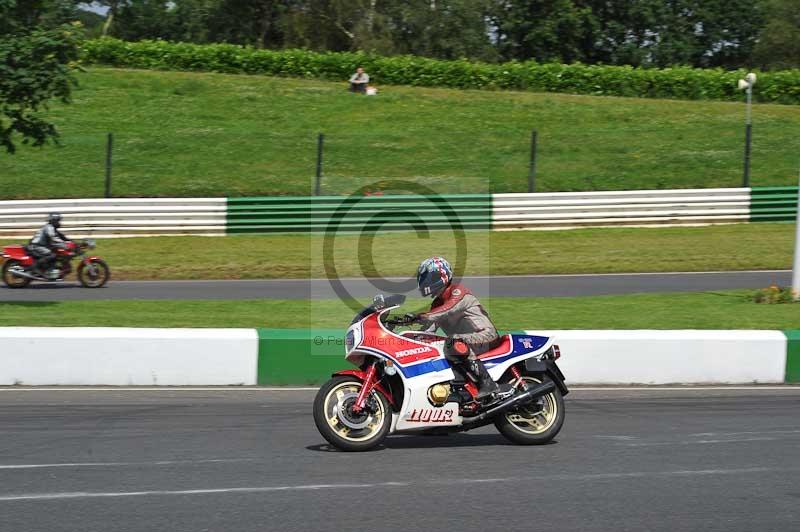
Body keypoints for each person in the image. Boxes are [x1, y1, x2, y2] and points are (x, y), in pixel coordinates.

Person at [412, 256, 506, 400]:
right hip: (467, 343)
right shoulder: (437, 305)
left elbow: (447, 310)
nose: (425, 281)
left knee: (453, 341)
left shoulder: (458, 292)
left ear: (440, 276)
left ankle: (488, 383)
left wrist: (419, 316)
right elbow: (427, 331)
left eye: (427, 278)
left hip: (485, 335)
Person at [28, 213, 69, 278]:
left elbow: (62, 236)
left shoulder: (53, 228)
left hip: (42, 245)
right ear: (53, 220)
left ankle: (49, 268)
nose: (59, 223)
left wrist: (70, 241)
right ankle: (35, 268)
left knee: (56, 253)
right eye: (57, 221)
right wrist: (65, 245)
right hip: (37, 246)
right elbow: (54, 238)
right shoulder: (49, 228)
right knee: (52, 255)